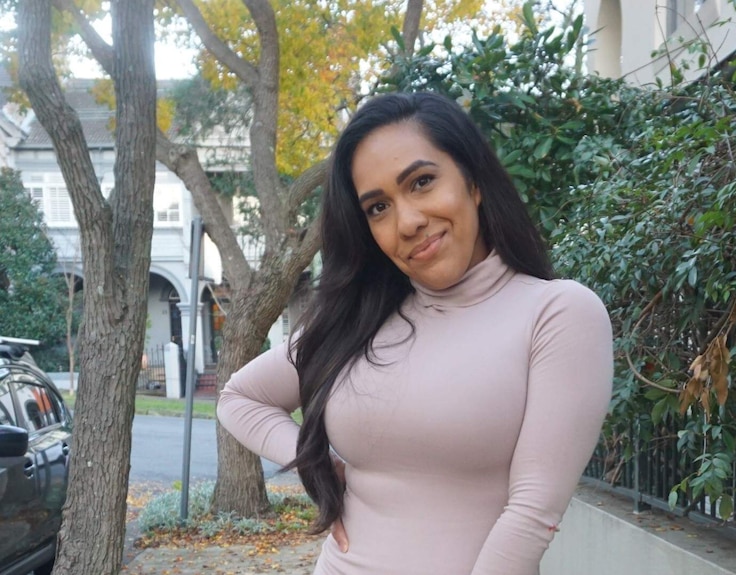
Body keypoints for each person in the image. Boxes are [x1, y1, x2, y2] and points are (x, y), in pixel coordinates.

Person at [217, 91, 614, 575]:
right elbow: (239, 399)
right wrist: (317, 464)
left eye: (422, 182)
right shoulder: (359, 319)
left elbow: (531, 514)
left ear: (473, 181)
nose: (407, 221)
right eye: (378, 208)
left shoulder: (557, 314)